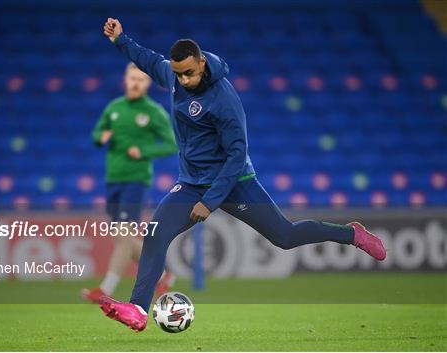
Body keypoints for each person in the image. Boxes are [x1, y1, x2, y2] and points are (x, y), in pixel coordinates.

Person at [98, 18, 387, 332]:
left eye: (189, 73)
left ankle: (352, 234)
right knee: (155, 234)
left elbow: (236, 155)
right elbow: (151, 60)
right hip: (193, 182)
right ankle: (138, 309)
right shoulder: (175, 74)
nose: (183, 80)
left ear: (202, 63)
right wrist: (121, 39)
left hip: (235, 182)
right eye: (178, 74)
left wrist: (210, 202)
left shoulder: (224, 100)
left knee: (285, 237)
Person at [81, 62, 178, 303]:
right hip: (113, 179)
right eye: (132, 78)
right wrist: (100, 137)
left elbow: (171, 144)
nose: (135, 83)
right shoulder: (114, 108)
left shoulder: (154, 112)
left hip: (136, 179)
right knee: (121, 239)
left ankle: (106, 289)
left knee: (124, 235)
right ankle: (163, 274)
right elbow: (96, 133)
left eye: (141, 79)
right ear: (125, 80)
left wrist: (143, 150)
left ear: (147, 83)